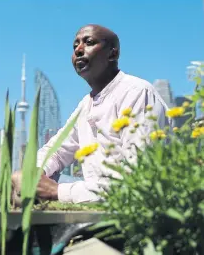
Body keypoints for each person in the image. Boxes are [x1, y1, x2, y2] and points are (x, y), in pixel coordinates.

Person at [11, 24, 171, 204]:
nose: (79, 50)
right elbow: (56, 151)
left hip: (134, 203)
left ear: (113, 54)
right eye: (75, 46)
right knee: (19, 184)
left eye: (89, 42)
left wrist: (57, 191)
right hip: (95, 192)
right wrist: (34, 173)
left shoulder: (137, 93)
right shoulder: (86, 105)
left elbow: (139, 180)